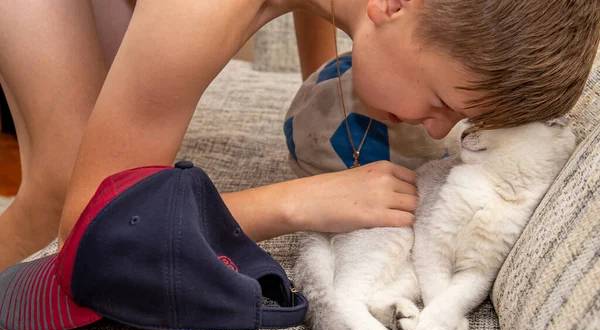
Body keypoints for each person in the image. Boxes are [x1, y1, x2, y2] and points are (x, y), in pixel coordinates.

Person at [0, 0, 597, 272]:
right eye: (441, 102)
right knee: (60, 185)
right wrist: (296, 202)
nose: (438, 129)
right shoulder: (199, 13)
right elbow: (92, 223)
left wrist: (319, 80)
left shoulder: (383, 14)